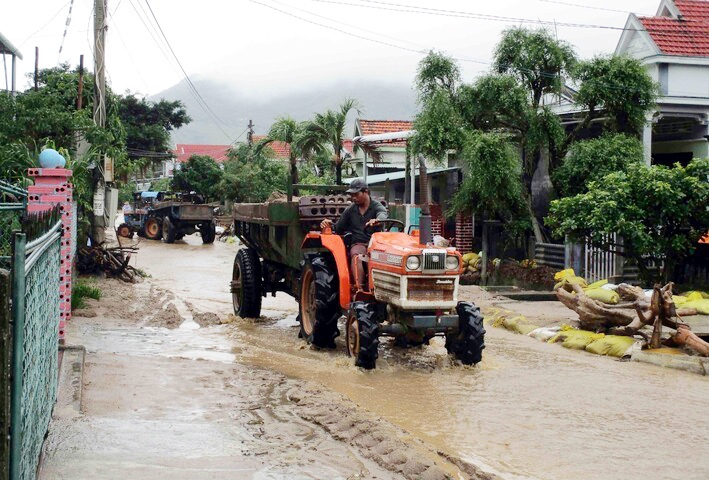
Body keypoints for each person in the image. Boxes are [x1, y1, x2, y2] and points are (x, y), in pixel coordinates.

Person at [320, 178, 388, 290]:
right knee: (357, 256)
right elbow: (338, 228)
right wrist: (328, 223)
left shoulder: (376, 206)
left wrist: (377, 220)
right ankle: (359, 288)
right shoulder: (350, 210)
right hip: (359, 243)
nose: (353, 198)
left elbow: (382, 214)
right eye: (351, 195)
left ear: (366, 192)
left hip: (377, 243)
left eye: (356, 194)